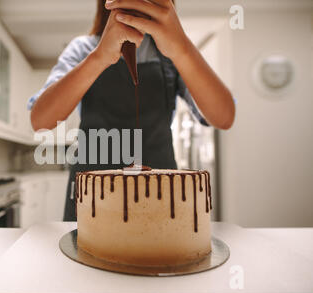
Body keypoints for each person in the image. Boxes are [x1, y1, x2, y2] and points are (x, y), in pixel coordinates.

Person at [27, 0, 235, 221]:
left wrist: (182, 48)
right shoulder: (83, 49)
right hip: (93, 202)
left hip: (159, 198)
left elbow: (224, 117)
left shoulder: (173, 56)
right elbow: (41, 121)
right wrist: (99, 57)